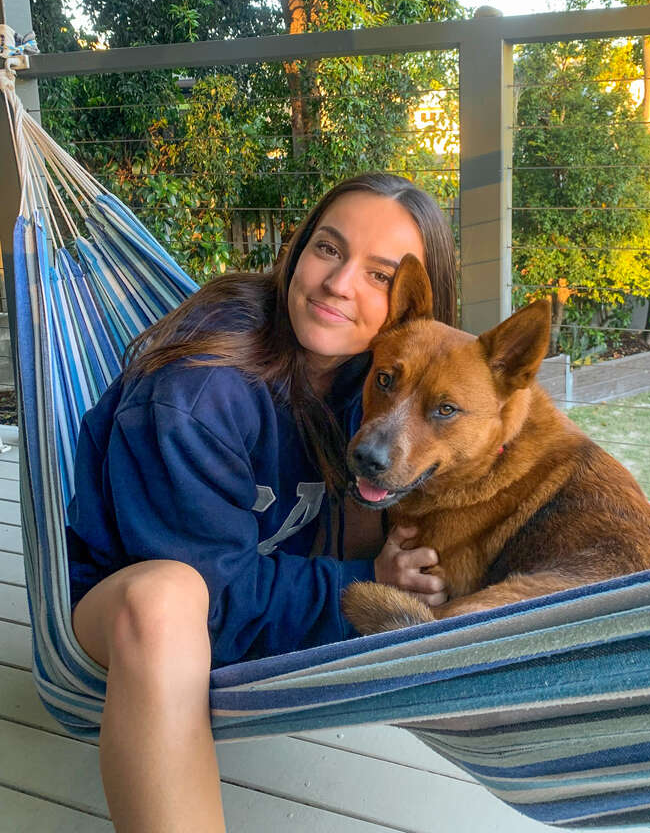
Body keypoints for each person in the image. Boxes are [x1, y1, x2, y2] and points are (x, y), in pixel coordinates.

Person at [66, 172, 457, 833]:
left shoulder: (381, 380)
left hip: (272, 585)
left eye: (381, 276)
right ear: (296, 251)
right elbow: (214, 610)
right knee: (166, 602)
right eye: (328, 249)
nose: (338, 283)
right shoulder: (199, 399)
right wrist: (367, 585)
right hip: (131, 608)